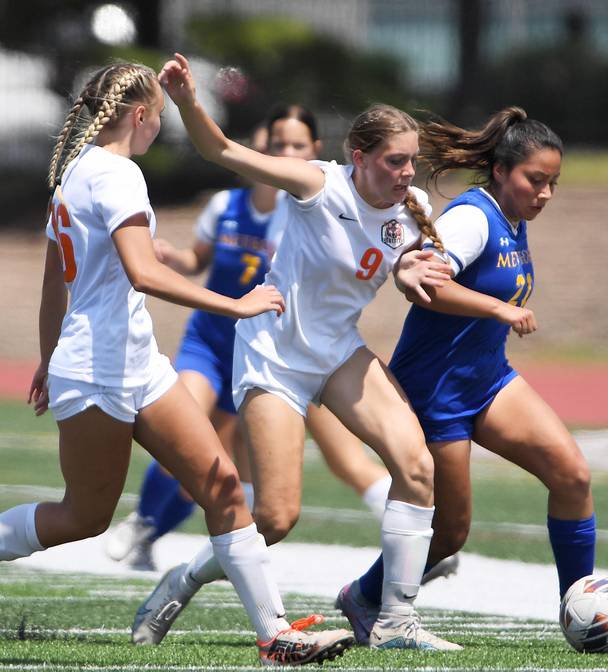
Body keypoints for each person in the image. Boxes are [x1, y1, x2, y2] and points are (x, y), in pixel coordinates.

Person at [0, 62, 355, 666]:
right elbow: (143, 271)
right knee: (84, 515)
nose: (159, 128)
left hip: (136, 362)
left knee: (221, 486)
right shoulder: (117, 175)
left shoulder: (77, 172)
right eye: (160, 116)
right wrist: (234, 304)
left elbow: (55, 280)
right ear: (139, 115)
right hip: (96, 370)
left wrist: (47, 352)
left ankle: (275, 638)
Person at [132, 53, 460, 652]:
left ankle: (395, 621)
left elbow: (416, 265)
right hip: (274, 353)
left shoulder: (415, 213)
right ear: (358, 158)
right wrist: (188, 103)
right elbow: (222, 152)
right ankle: (181, 579)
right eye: (395, 161)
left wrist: (417, 271)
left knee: (416, 465)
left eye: (413, 160)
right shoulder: (318, 183)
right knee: (277, 519)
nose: (408, 172)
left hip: (336, 351)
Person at [336, 107, 596, 645]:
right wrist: (500, 311)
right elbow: (425, 283)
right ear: (501, 171)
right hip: (436, 392)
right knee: (450, 534)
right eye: (535, 180)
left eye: (553, 183)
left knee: (572, 476)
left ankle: (581, 610)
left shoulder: (514, 216)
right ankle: (363, 595)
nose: (545, 193)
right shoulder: (472, 218)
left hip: (488, 380)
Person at [104, 105, 394, 570]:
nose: (287, 153)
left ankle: (163, 532)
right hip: (210, 341)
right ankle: (143, 518)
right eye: (279, 145)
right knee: (183, 426)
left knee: (214, 460)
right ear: (264, 149)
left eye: (298, 146)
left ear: (315, 152)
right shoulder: (225, 206)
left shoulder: (305, 208)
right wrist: (173, 257)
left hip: (261, 349)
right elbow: (197, 258)